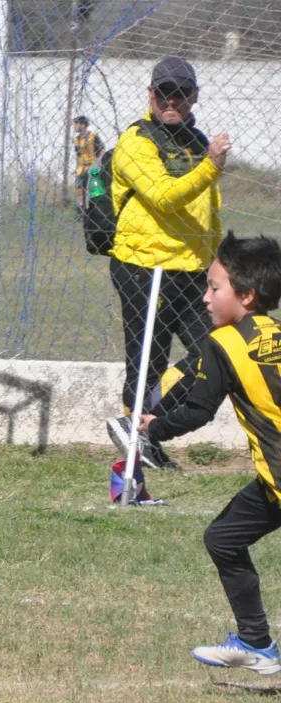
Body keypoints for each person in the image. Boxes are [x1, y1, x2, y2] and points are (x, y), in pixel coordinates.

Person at [138, 232, 281, 675]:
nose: (205, 298)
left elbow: (199, 411)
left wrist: (154, 427)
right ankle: (256, 642)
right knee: (223, 537)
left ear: (246, 295)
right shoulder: (275, 333)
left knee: (223, 539)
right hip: (271, 482)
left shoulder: (223, 343)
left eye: (214, 288)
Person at [105, 57, 230, 470]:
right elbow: (162, 197)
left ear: (194, 96)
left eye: (180, 93)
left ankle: (144, 427)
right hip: (145, 267)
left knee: (214, 352)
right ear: (150, 94)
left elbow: (207, 209)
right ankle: (142, 443)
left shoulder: (196, 140)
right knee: (148, 363)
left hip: (192, 270)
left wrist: (215, 262)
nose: (170, 101)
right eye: (163, 92)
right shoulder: (137, 141)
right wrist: (210, 166)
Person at [72, 115, 104, 214]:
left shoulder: (93, 136)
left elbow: (102, 149)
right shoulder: (76, 139)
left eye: (76, 124)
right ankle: (81, 212)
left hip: (93, 167)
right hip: (81, 169)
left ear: (83, 125)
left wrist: (99, 163)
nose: (74, 126)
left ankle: (97, 210)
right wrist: (76, 168)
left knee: (96, 191)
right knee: (80, 191)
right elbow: (79, 155)